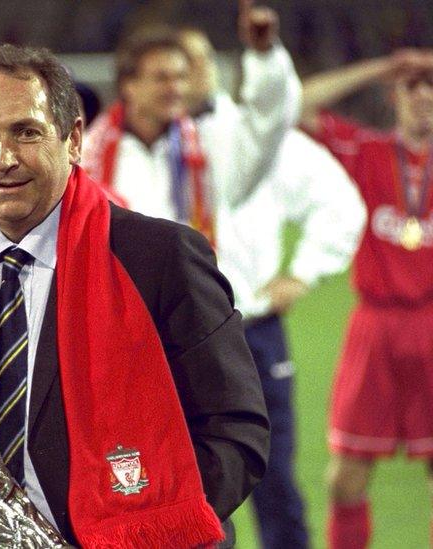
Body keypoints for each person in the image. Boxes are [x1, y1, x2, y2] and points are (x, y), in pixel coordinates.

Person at [0, 43, 269, 548]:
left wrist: (151, 529)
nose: (4, 158)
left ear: (73, 139)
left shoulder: (161, 258)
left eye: (27, 133)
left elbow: (237, 429)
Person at [176, 28, 367, 549]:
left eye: (193, 61)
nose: (182, 75)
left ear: (213, 67)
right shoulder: (141, 143)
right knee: (175, 474)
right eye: (172, 64)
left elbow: (340, 203)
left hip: (251, 328)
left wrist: (303, 271)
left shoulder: (254, 134)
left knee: (272, 474)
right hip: (173, 336)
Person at [301, 49, 433, 549]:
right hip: (375, 326)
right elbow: (300, 106)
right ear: (394, 96)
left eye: (431, 85)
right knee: (345, 479)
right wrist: (381, 66)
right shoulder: (367, 152)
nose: (423, 96)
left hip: (432, 323)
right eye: (411, 85)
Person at [80, 1, 301, 244]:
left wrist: (264, 55)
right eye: (161, 78)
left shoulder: (209, 146)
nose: (174, 88)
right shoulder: (87, 153)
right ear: (128, 85)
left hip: (189, 279)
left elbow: (266, 125)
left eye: (181, 77)